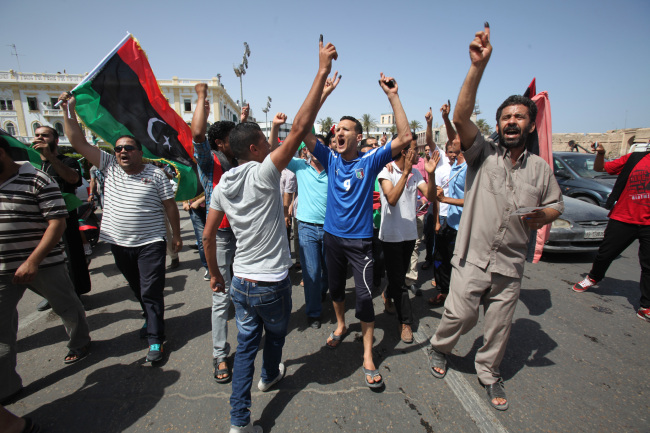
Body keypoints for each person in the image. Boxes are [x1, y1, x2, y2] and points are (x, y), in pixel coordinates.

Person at [202, 36, 338, 433]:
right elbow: (298, 128)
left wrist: (214, 274)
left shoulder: (224, 184)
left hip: (240, 281)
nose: (272, 144)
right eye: (266, 141)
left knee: (246, 346)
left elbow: (209, 236)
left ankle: (239, 420)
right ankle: (270, 374)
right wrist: (321, 71)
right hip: (271, 282)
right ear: (256, 147)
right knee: (276, 332)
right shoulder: (264, 172)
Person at [425, 23, 564, 411]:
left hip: (510, 265)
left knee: (499, 329)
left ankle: (489, 373)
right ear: (499, 125)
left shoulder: (540, 170)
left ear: (530, 124)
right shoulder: (481, 155)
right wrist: (477, 67)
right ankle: (440, 348)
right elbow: (464, 114)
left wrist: (544, 215)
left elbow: (557, 205)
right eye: (506, 117)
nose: (512, 122)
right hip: (472, 258)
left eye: (519, 117)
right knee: (459, 315)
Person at [304, 72, 413, 389]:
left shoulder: (372, 159)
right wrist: (322, 94)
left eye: (345, 129)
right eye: (336, 129)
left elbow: (405, 137)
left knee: (364, 301)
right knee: (336, 291)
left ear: (358, 137)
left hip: (361, 243)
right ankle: (340, 325)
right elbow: (304, 129)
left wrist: (393, 96)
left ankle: (367, 355)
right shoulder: (328, 158)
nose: (338, 132)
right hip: (331, 240)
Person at [59, 94, 181, 363]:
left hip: (151, 242)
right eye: (118, 149)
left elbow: (171, 206)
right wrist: (69, 111)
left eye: (128, 148)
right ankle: (151, 318)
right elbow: (78, 142)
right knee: (138, 288)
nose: (122, 152)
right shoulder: (109, 166)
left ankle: (155, 339)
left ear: (139, 152)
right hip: (118, 243)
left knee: (150, 290)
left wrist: (177, 237)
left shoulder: (156, 174)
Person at [0, 136, 91, 404]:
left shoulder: (37, 179)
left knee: (66, 306)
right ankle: (8, 388)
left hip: (43, 263)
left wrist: (33, 261)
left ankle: (80, 341)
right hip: (3, 268)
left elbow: (56, 222)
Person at [191, 86, 244, 383]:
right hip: (222, 238)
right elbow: (198, 134)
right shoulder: (209, 161)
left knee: (244, 291)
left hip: (245, 236)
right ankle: (220, 354)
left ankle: (247, 339)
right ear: (221, 143)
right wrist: (201, 98)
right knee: (221, 297)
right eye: (233, 138)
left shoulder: (238, 159)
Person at [572, 143, 650, 323]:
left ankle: (645, 306)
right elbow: (601, 168)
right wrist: (601, 154)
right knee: (605, 254)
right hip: (624, 218)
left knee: (648, 265)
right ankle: (593, 277)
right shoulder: (635, 158)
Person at [378, 137, 437, 343]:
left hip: (409, 234)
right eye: (414, 149)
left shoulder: (417, 172)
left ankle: (387, 293)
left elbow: (430, 195)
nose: (418, 152)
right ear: (404, 152)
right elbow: (392, 200)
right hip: (391, 236)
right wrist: (405, 173)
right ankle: (406, 322)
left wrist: (430, 173)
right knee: (400, 282)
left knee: (398, 277)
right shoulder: (387, 171)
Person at [31, 126, 91, 310]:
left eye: (45, 135)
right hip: (39, 220)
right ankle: (52, 294)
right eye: (37, 135)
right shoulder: (32, 164)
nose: (40, 138)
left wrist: (50, 156)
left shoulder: (67, 161)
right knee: (44, 260)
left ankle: (74, 294)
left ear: (55, 140)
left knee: (70, 257)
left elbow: (73, 179)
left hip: (64, 217)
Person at [285, 118, 330, 329]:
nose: (315, 151)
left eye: (319, 147)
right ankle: (313, 312)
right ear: (307, 151)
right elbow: (278, 153)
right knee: (311, 271)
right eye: (312, 147)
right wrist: (278, 128)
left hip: (332, 229)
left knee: (327, 271)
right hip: (306, 228)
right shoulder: (300, 166)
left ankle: (321, 293)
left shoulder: (334, 168)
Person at [428, 134, 466, 307]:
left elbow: (473, 200)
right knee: (440, 258)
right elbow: (436, 197)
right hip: (447, 222)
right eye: (449, 151)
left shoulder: (470, 168)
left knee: (458, 264)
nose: (451, 155)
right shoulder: (447, 167)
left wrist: (445, 200)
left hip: (463, 227)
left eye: (455, 150)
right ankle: (444, 292)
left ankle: (458, 298)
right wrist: (437, 220)